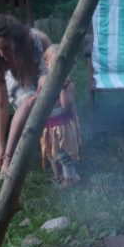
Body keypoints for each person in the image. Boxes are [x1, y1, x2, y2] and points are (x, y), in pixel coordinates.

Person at [0, 14, 51, 176]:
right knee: (29, 101)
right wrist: (0, 145)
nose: (1, 52)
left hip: (42, 77)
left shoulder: (38, 40)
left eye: (6, 47)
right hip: (19, 83)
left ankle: (67, 144)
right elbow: (1, 104)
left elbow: (55, 65)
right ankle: (8, 160)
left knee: (64, 90)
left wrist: (47, 79)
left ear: (17, 39)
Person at [37, 43, 82, 187]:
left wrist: (62, 87)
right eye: (55, 63)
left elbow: (65, 106)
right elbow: (38, 97)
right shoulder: (42, 80)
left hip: (62, 125)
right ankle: (57, 176)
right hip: (48, 124)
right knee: (51, 152)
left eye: (62, 65)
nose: (59, 68)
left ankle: (71, 178)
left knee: (63, 153)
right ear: (46, 63)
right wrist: (34, 99)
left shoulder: (67, 85)